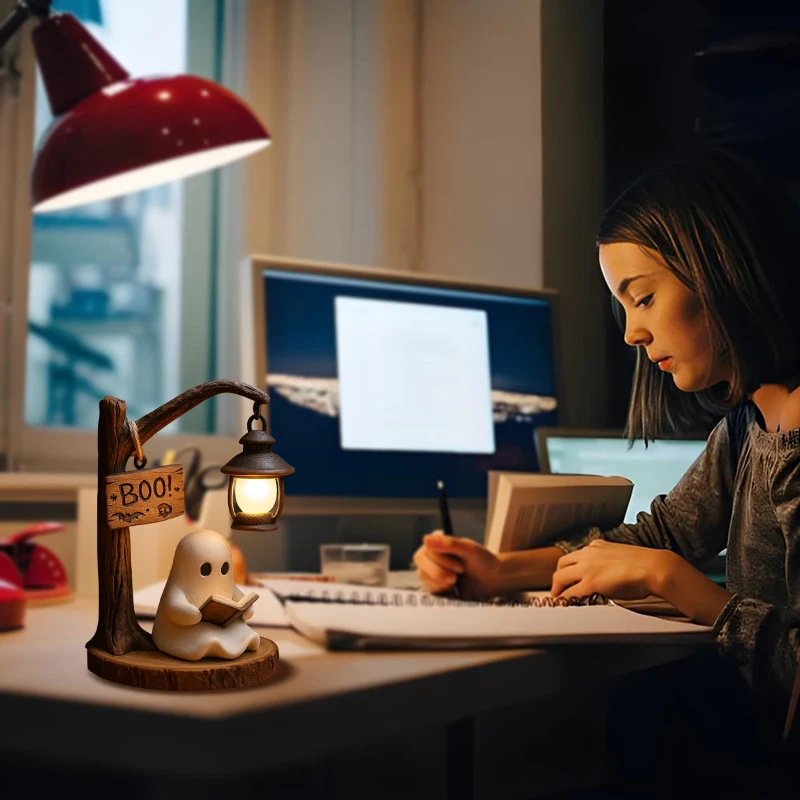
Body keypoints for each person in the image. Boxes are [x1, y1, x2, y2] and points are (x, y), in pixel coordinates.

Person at [413, 147, 800, 795]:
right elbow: (659, 536)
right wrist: (500, 570)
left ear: (722, 269)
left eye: (642, 298)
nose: (631, 334)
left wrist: (675, 581)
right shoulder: (746, 428)